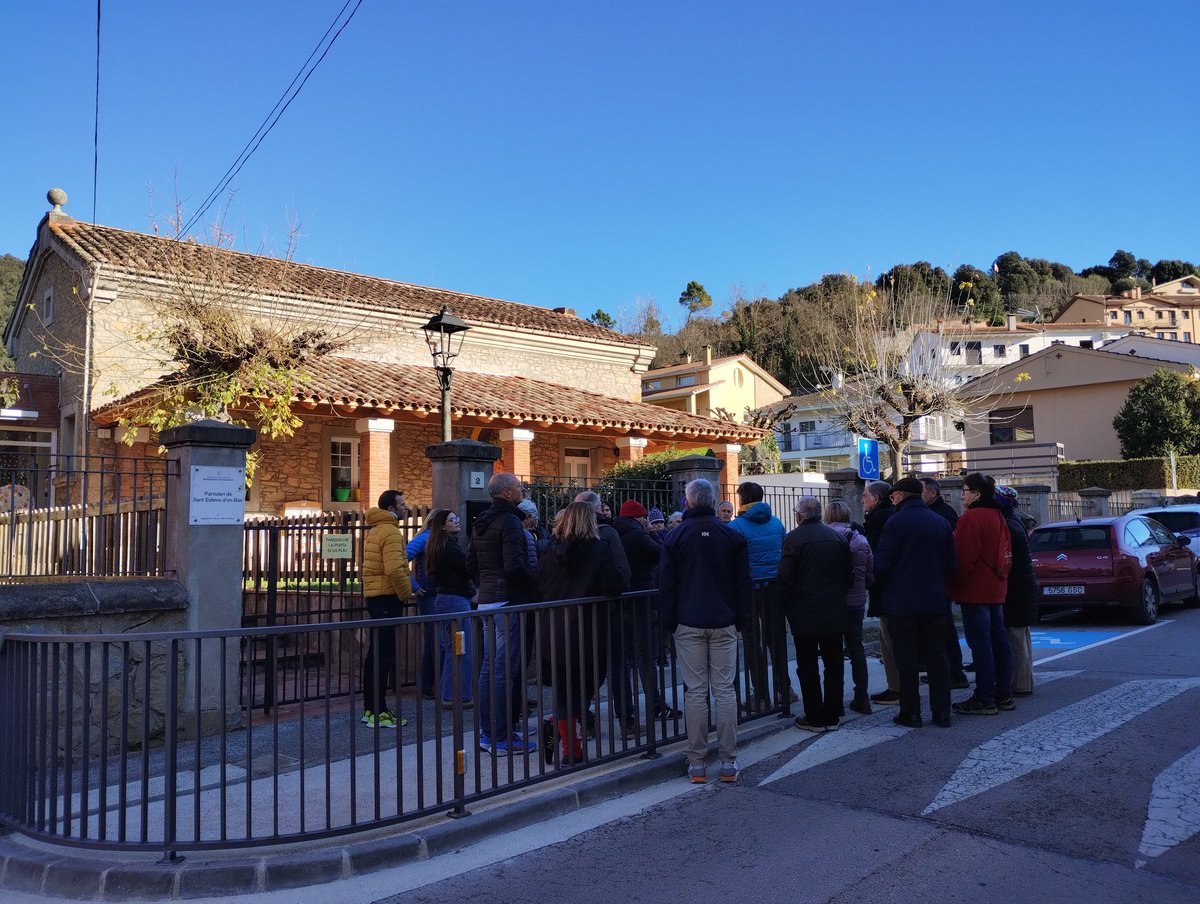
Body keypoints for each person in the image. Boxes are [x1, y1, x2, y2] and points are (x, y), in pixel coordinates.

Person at [659, 478, 753, 784]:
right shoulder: (731, 535)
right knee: (725, 689)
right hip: (724, 620)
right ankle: (728, 761)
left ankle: (697, 762)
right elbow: (743, 583)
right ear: (713, 502)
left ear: (687, 503)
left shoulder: (674, 537)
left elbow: (667, 585)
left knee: (695, 691)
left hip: (688, 621)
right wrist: (741, 618)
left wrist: (669, 621)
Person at [537, 501, 629, 764]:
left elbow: (539, 583)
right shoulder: (598, 549)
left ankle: (564, 736)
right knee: (585, 687)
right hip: (587, 631)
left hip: (553, 630)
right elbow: (615, 584)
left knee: (565, 691)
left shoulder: (550, 548)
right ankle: (570, 747)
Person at [873, 477, 957, 728]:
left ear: (901, 495)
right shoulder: (940, 522)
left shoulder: (895, 522)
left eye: (893, 495)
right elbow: (952, 564)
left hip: (903, 602)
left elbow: (882, 564)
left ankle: (911, 712)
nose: (892, 499)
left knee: (906, 658)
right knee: (937, 655)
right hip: (935, 600)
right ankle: (942, 713)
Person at [468, 473, 540, 753]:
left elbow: (470, 561)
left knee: (489, 669)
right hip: (508, 602)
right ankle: (500, 736)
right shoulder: (510, 520)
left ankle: (491, 732)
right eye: (519, 487)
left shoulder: (482, 520)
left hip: (487, 600)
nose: (522, 490)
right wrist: (537, 584)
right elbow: (514, 566)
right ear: (507, 492)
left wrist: (482, 586)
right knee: (503, 672)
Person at [777, 496, 853, 732]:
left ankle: (815, 715)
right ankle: (832, 712)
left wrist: (784, 600)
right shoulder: (838, 538)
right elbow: (848, 576)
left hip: (805, 611)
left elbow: (785, 578)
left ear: (799, 515)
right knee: (834, 663)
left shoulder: (793, 538)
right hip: (833, 609)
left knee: (807, 665)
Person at [949, 473, 1014, 717]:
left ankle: (985, 697)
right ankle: (1003, 694)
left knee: (981, 644)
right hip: (996, 586)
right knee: (999, 641)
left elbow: (963, 557)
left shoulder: (972, 518)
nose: (962, 494)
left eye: (965, 490)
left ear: (977, 493)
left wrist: (952, 584)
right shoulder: (998, 515)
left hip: (976, 589)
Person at [726, 480, 795, 709]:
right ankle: (784, 689)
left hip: (749, 590)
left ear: (743, 498)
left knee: (752, 641)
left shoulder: (736, 527)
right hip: (774, 588)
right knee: (776, 639)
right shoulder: (776, 523)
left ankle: (761, 693)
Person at [612, 499, 679, 727]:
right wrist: (650, 532)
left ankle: (626, 713)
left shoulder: (614, 531)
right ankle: (656, 705)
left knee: (623, 661)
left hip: (622, 603)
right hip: (640, 600)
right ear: (639, 518)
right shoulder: (637, 535)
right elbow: (661, 553)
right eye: (644, 519)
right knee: (645, 656)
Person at [361, 489, 414, 729]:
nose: (406, 507)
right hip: (386, 598)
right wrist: (406, 594)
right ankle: (378, 712)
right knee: (383, 656)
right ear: (391, 508)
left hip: (375, 596)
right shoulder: (391, 532)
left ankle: (371, 708)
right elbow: (394, 569)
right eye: (402, 504)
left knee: (376, 654)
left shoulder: (375, 529)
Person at [823, 500, 874, 715]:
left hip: (832, 604)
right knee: (856, 649)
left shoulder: (824, 538)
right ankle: (861, 696)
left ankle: (835, 702)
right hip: (855, 603)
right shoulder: (860, 540)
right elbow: (871, 575)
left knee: (833, 653)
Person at [921, 477, 971, 690]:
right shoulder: (938, 513)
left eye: (921, 490)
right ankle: (944, 671)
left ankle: (953, 673)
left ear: (932, 493)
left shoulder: (944, 515)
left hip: (939, 580)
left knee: (944, 629)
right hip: (936, 579)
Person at [424, 509, 474, 707]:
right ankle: (456, 696)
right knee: (461, 648)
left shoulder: (440, 545)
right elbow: (467, 567)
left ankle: (450, 693)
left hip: (448, 599)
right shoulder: (448, 548)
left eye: (457, 518)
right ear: (443, 526)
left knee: (455, 648)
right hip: (455, 600)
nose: (457, 522)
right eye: (452, 520)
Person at [995, 485, 1038, 697]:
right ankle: (1024, 681)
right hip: (1023, 587)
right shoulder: (1016, 522)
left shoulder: (1009, 525)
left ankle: (1020, 684)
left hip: (1016, 589)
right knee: (1020, 636)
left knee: (1016, 637)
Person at [862, 480, 900, 706]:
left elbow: (877, 556)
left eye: (865, 496)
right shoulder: (891, 515)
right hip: (900, 589)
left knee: (889, 638)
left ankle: (896, 688)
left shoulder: (879, 519)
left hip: (887, 590)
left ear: (876, 499)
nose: (862, 500)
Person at [406, 511, 440, 700]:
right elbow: (402, 559)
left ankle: (428, 684)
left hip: (436, 592)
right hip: (428, 594)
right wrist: (414, 586)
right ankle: (431, 683)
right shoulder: (424, 539)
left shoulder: (438, 540)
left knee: (433, 640)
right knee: (436, 639)